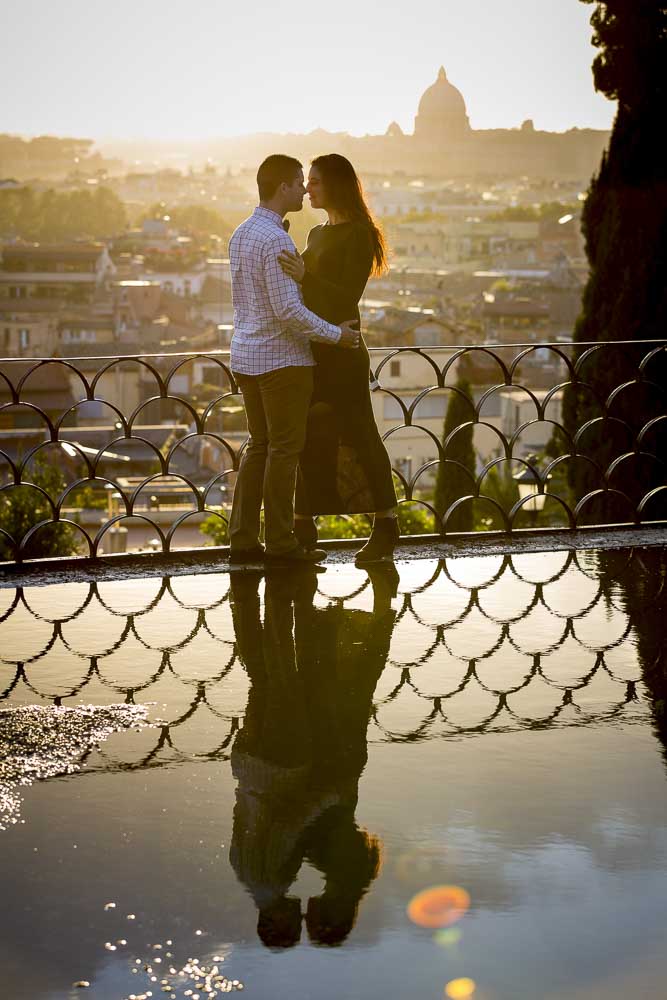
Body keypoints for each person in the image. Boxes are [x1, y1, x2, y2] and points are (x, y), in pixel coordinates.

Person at [228, 562, 397, 948]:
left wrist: (328, 794)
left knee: (309, 682)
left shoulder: (282, 877)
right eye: (314, 920)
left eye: (300, 924)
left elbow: (292, 820)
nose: (304, 914)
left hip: (302, 766)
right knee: (275, 679)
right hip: (263, 766)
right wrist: (327, 795)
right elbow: (286, 819)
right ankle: (274, 601)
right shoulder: (254, 875)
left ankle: (294, 601)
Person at [228, 154, 360, 565]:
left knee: (259, 449)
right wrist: (338, 336)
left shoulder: (242, 233)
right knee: (283, 452)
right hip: (282, 362)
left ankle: (243, 539)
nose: (305, 189)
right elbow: (290, 312)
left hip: (246, 356)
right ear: (283, 186)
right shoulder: (277, 240)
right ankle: (282, 544)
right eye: (300, 182)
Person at [277, 153, 399, 563]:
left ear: (336, 185)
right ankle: (303, 526)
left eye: (315, 181)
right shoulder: (317, 234)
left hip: (344, 351)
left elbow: (346, 295)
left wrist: (303, 275)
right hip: (315, 347)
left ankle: (386, 526)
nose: (308, 188)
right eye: (306, 181)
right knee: (308, 438)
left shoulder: (359, 235)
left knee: (362, 436)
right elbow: (307, 295)